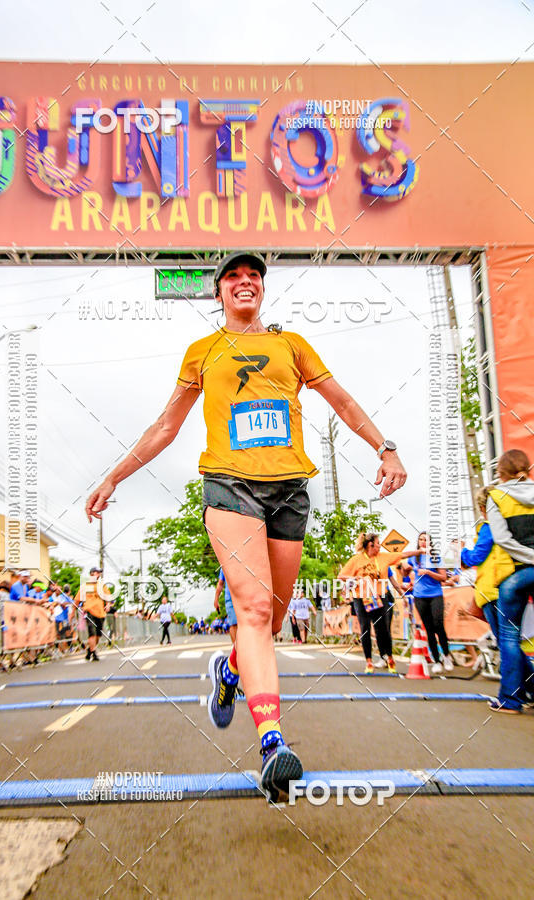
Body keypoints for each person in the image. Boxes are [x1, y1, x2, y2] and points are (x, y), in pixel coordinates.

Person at [85, 250, 406, 802]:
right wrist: (113, 477)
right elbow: (166, 426)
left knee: (272, 622)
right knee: (253, 611)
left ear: (262, 289)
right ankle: (272, 745)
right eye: (232, 277)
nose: (244, 282)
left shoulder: (292, 346)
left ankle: (230, 672)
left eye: (253, 276)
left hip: (290, 489)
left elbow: (343, 400)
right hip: (228, 485)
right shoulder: (202, 352)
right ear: (219, 294)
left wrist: (386, 447)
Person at [486, 449, 534, 713]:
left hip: (515, 575)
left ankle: (511, 700)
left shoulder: (496, 496)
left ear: (501, 473)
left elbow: (503, 540)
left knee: (509, 638)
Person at [339, 534, 414, 673]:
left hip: (378, 597)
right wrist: (353, 578)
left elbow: (403, 555)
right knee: (365, 629)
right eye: (378, 543)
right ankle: (368, 662)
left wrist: (420, 551)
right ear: (370, 545)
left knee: (382, 629)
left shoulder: (383, 558)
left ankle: (389, 657)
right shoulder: (356, 560)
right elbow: (341, 576)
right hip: (360, 598)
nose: (380, 545)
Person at [406, 532, 453, 675]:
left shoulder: (436, 557)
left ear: (430, 542)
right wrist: (407, 575)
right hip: (419, 596)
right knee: (429, 629)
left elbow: (443, 577)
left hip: (435, 594)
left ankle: (446, 655)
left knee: (439, 625)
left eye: (425, 540)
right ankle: (437, 661)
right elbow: (405, 568)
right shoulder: (414, 557)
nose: (422, 542)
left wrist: (428, 572)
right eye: (420, 539)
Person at [460, 486, 499, 641]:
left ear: (483, 508)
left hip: (491, 589)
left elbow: (475, 557)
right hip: (511, 585)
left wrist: (462, 551)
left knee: (505, 640)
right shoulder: (511, 523)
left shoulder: (488, 527)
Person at [74, 566, 106, 661]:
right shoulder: (85, 586)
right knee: (92, 633)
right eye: (97, 572)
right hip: (89, 611)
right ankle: (94, 653)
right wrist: (75, 611)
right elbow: (76, 600)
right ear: (92, 574)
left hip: (100, 613)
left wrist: (108, 605)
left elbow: (108, 598)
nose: (99, 574)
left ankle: (90, 649)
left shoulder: (102, 586)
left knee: (98, 635)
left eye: (99, 573)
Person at [215, 567, 237, 643]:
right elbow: (220, 583)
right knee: (234, 624)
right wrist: (216, 600)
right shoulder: (224, 564)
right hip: (231, 598)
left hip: (245, 598)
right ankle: (236, 651)